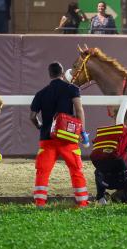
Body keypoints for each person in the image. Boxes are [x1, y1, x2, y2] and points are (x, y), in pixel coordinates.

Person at [30, 62, 90, 208]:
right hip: (67, 138)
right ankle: (82, 202)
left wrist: (40, 126)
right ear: (62, 73)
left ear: (50, 74)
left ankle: (40, 203)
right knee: (76, 170)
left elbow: (32, 116)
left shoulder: (41, 93)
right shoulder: (72, 89)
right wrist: (81, 131)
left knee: (42, 171)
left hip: (47, 139)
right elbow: (79, 110)